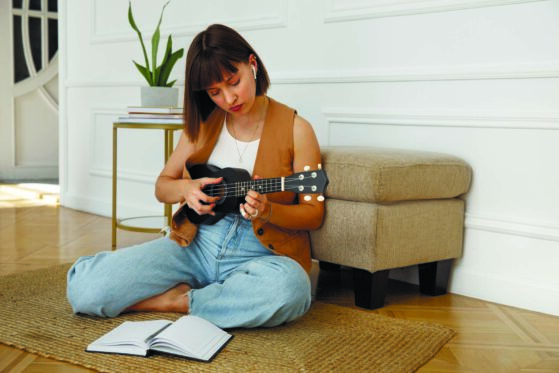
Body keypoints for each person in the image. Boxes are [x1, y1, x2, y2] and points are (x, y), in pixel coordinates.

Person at [66, 24, 325, 329]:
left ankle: (179, 301)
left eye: (233, 82)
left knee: (291, 289)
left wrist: (269, 211)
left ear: (252, 65)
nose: (229, 98)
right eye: (215, 92)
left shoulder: (297, 129)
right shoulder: (203, 125)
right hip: (195, 244)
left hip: (261, 254)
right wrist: (187, 189)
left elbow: (314, 214)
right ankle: (219, 302)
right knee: (85, 287)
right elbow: (162, 187)